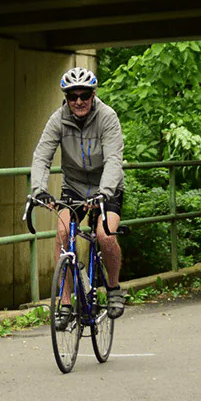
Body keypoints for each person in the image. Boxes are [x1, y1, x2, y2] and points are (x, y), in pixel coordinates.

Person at [30, 67, 126, 329]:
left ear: (93, 95)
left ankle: (114, 287)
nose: (79, 101)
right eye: (73, 97)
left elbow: (114, 159)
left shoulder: (107, 117)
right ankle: (64, 302)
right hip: (73, 187)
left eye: (85, 95)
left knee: (105, 235)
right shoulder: (58, 120)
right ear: (67, 98)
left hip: (107, 187)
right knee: (62, 235)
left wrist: (105, 192)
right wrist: (38, 189)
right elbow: (42, 156)